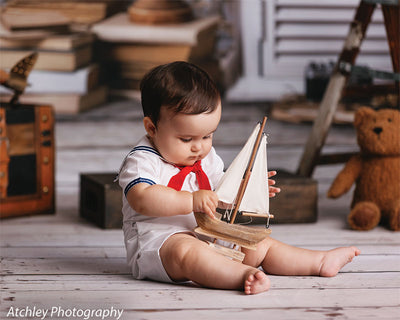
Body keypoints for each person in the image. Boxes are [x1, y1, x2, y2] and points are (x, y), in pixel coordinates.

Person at [117, 61, 360, 295]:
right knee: (187, 253)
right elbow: (143, 198)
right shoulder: (142, 161)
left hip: (208, 235)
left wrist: (245, 190)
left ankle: (318, 261)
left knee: (258, 245)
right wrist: (190, 200)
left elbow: (219, 193)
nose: (199, 148)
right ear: (151, 128)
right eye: (187, 139)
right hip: (160, 244)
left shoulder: (206, 157)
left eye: (207, 136)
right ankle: (241, 276)